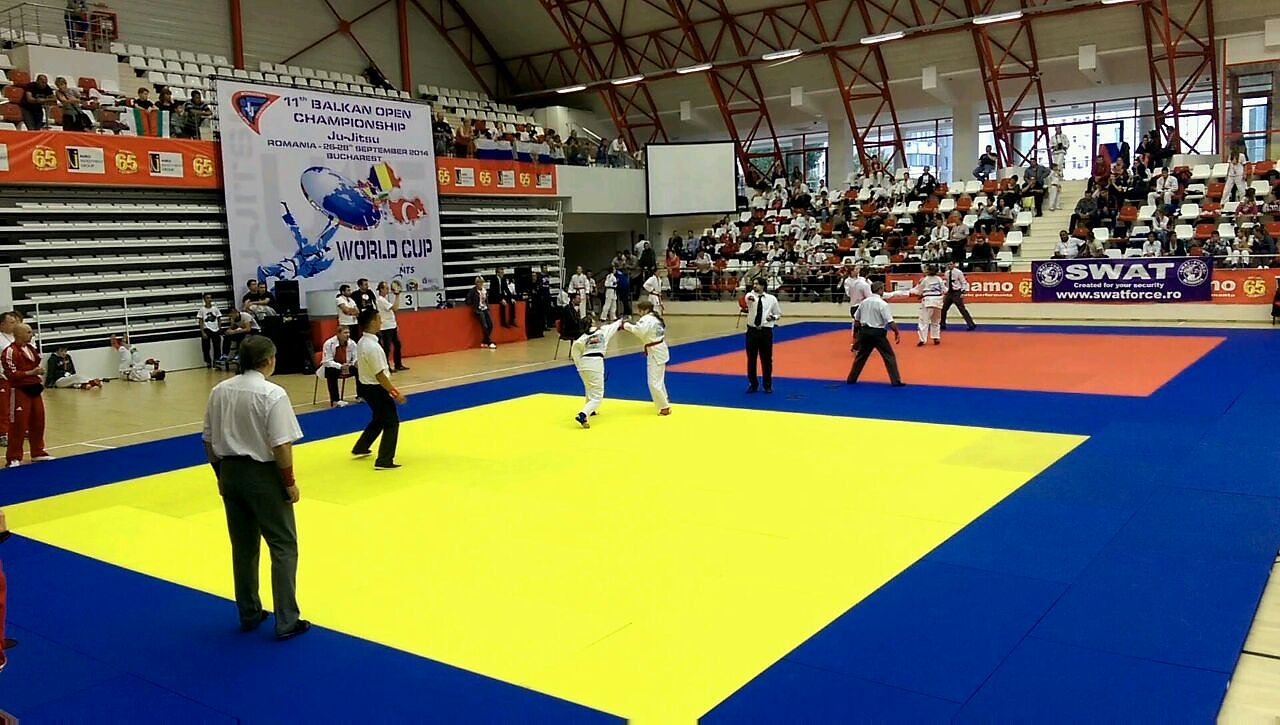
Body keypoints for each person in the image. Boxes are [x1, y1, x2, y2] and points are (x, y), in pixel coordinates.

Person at [202, 335, 309, 640]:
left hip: (230, 471)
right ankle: (287, 619)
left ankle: (249, 612)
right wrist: (289, 481)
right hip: (262, 474)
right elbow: (281, 444)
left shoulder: (219, 390)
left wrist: (220, 474)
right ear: (268, 360)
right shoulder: (272, 393)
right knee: (283, 545)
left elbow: (208, 439)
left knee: (244, 548)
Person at [352, 308, 406, 469]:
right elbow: (380, 375)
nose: (381, 321)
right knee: (391, 422)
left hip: (366, 387)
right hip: (376, 389)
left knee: (379, 418)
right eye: (378, 319)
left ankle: (361, 446)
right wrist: (395, 393)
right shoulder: (372, 347)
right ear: (372, 322)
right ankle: (384, 460)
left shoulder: (362, 342)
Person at [3, 324, 52, 467]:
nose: (31, 335)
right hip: (19, 390)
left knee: (38, 421)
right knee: (18, 425)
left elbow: (34, 365)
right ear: (19, 334)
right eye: (29, 332)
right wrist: (31, 372)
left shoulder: (31, 349)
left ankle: (38, 452)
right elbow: (11, 374)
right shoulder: (10, 351)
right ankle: (13, 457)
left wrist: (38, 372)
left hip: (34, 389)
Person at [570, 315, 626, 428]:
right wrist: (621, 320)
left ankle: (591, 410)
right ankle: (583, 414)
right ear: (592, 323)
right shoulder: (602, 332)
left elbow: (575, 353)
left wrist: (579, 367)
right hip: (595, 363)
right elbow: (613, 326)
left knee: (589, 388)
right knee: (598, 396)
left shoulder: (581, 338)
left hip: (583, 364)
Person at [847, 282, 905, 386]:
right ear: (880, 289)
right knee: (889, 356)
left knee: (861, 357)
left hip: (864, 332)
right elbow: (890, 321)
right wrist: (896, 332)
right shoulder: (882, 304)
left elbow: (856, 320)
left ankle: (851, 378)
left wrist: (855, 335)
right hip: (878, 333)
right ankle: (895, 381)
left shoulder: (864, 302)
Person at [620, 299, 670, 416]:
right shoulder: (656, 318)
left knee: (653, 382)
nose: (639, 313)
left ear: (645, 310)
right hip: (661, 348)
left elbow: (639, 331)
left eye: (640, 310)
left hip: (655, 351)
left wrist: (626, 325)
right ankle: (664, 399)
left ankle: (664, 407)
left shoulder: (647, 319)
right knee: (659, 379)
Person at [885, 263, 947, 346]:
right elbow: (945, 290)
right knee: (936, 320)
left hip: (928, 301)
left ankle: (922, 339)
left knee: (924, 321)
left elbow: (918, 290)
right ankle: (936, 337)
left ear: (928, 271)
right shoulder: (939, 279)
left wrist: (911, 292)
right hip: (938, 301)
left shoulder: (924, 279)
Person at [742, 277, 782, 394]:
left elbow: (778, 313)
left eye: (757, 284)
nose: (755, 286)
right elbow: (747, 298)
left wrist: (773, 317)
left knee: (767, 359)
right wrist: (749, 298)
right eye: (754, 284)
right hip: (752, 331)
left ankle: (767, 385)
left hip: (765, 331)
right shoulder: (750, 296)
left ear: (763, 286)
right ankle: (753, 384)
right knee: (751, 359)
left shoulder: (771, 299)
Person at [317, 325, 357, 407]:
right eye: (345, 333)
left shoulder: (352, 343)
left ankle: (361, 396)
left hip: (347, 366)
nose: (348, 335)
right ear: (338, 334)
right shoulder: (329, 343)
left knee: (359, 369)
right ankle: (335, 400)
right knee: (330, 371)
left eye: (348, 333)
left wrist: (351, 364)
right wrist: (340, 366)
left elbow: (356, 357)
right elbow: (327, 361)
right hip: (335, 367)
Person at [374, 281, 406, 371]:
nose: (388, 290)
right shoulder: (381, 300)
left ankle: (398, 364)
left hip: (391, 326)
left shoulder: (384, 299)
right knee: (387, 348)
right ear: (381, 289)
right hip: (385, 327)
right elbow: (395, 308)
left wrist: (395, 324)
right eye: (386, 288)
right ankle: (386, 366)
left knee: (397, 345)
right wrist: (397, 296)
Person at [843, 264, 873, 351]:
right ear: (851, 271)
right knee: (857, 326)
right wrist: (857, 289)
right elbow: (848, 293)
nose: (857, 270)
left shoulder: (862, 279)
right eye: (856, 269)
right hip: (855, 305)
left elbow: (871, 286)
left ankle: (860, 344)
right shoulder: (848, 281)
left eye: (858, 269)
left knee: (863, 326)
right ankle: (856, 345)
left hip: (863, 304)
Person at [941, 260, 977, 331]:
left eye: (951, 264)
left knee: (962, 309)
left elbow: (963, 282)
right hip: (949, 292)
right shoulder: (947, 273)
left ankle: (971, 324)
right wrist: (945, 292)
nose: (949, 266)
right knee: (943, 309)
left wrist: (963, 292)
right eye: (948, 264)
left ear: (954, 264)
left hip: (957, 292)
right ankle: (942, 324)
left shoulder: (958, 272)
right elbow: (947, 283)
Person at [464, 276, 497, 349]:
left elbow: (486, 300)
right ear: (476, 283)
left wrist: (487, 307)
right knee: (484, 326)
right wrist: (473, 305)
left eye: (482, 282)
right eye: (479, 282)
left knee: (490, 325)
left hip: (485, 309)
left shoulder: (484, 290)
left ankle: (485, 341)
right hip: (478, 310)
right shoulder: (473, 291)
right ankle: (490, 342)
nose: (481, 284)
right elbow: (467, 300)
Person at [198, 293, 224, 368]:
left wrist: (219, 328)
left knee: (217, 346)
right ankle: (208, 362)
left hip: (215, 329)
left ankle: (217, 361)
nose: (209, 299)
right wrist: (202, 332)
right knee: (206, 347)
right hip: (206, 329)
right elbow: (200, 321)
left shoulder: (215, 308)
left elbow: (219, 319)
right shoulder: (202, 310)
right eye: (207, 298)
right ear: (204, 299)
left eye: (210, 298)